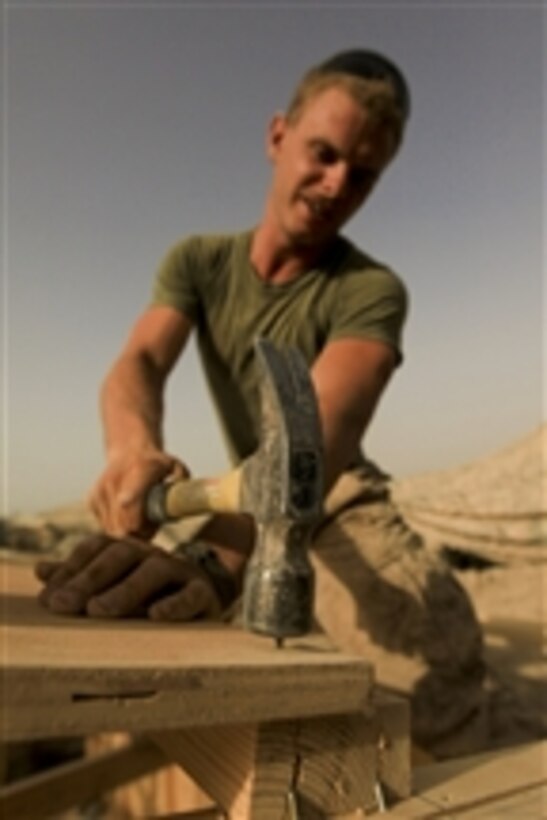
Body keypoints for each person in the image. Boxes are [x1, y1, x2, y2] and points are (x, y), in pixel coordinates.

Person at [36, 50, 488, 758]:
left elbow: (325, 430)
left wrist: (220, 559)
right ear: (277, 136)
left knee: (431, 678)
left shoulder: (371, 289)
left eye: (363, 173)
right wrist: (131, 449)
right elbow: (141, 361)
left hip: (337, 500)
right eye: (323, 152)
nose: (338, 181)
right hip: (241, 493)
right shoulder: (198, 262)